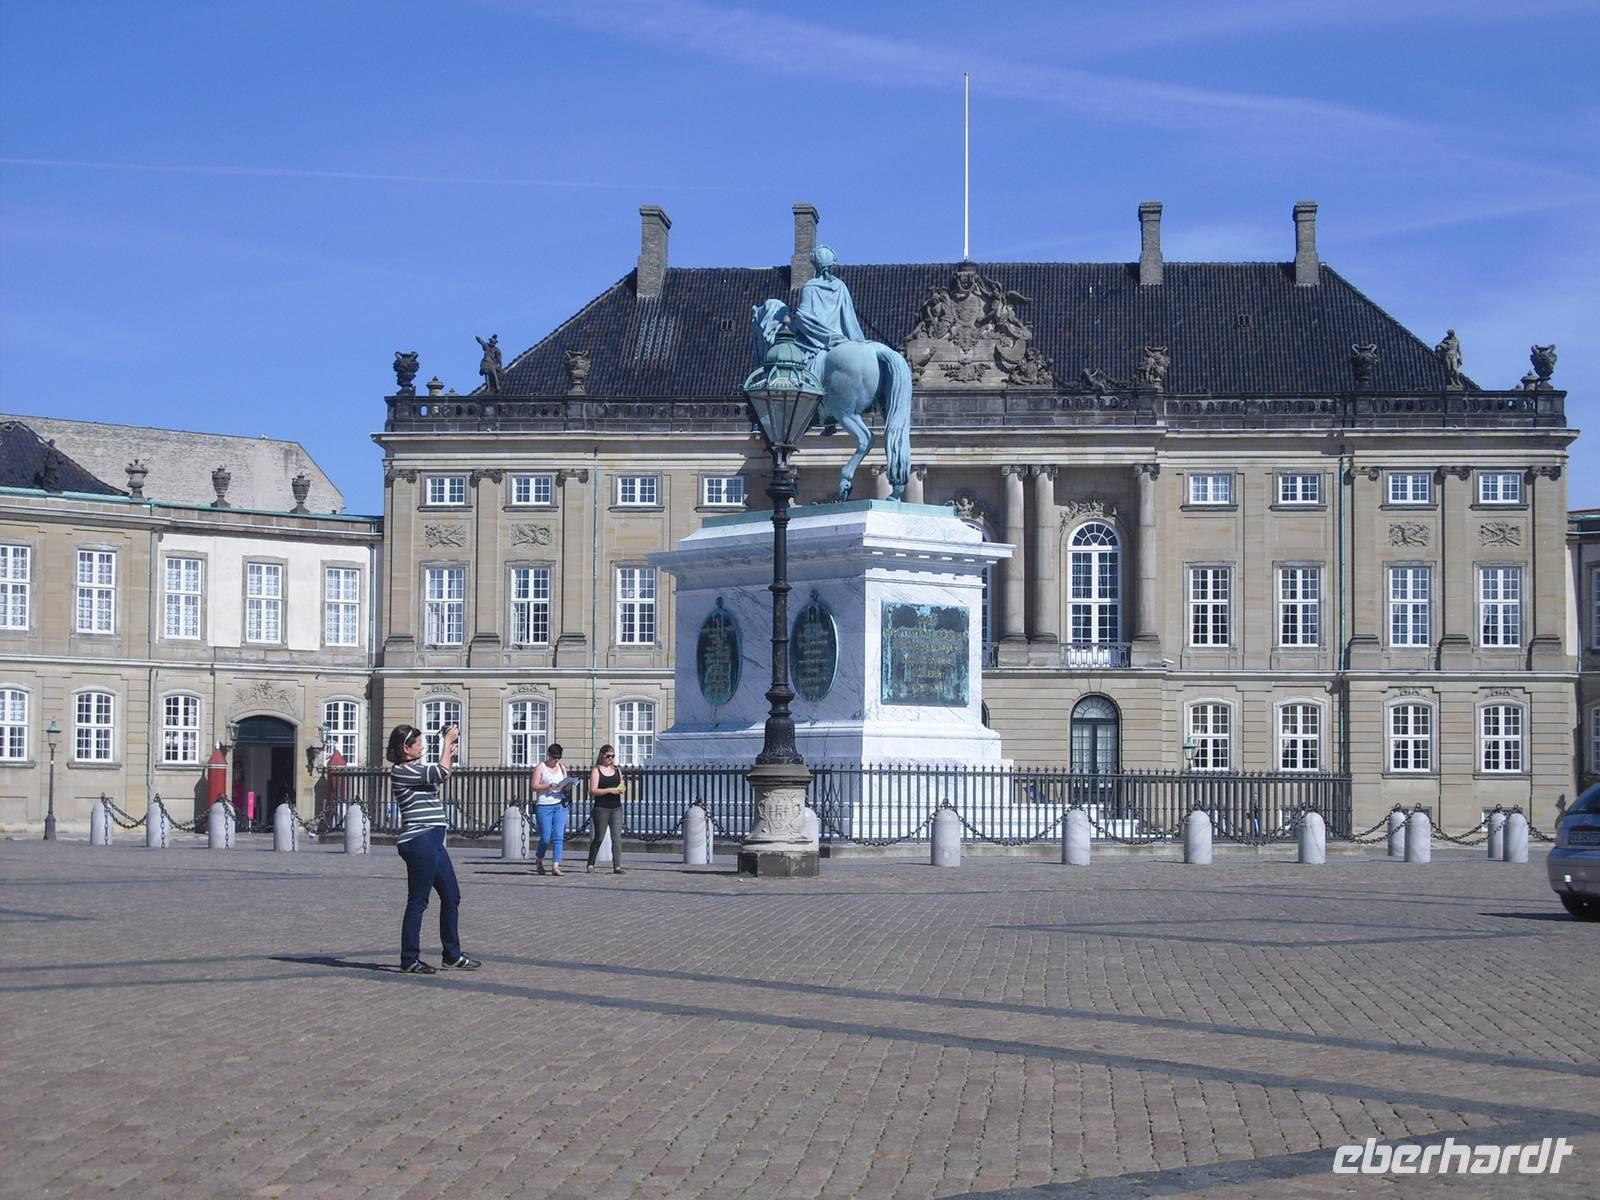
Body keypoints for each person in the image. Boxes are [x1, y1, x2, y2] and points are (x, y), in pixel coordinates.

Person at [386, 722, 480, 975]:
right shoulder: (400, 771)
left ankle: (452, 954)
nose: (422, 746)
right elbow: (440, 772)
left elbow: (443, 772)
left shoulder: (416, 768)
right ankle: (409, 958)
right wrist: (447, 743)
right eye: (417, 743)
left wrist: (450, 750)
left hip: (434, 840)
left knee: (452, 896)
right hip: (420, 841)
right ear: (405, 748)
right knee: (418, 901)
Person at [791, 244, 864, 376]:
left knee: (793, 370)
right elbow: (849, 318)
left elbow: (803, 318)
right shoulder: (841, 287)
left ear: (815, 264)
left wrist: (794, 322)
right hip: (844, 339)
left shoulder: (809, 288)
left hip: (817, 343)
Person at [531, 742, 570, 876]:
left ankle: (555, 866)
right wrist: (548, 786)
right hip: (544, 805)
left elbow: (565, 783)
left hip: (559, 805)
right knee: (546, 838)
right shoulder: (541, 767)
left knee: (559, 837)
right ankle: (539, 860)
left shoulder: (562, 768)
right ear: (549, 755)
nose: (556, 760)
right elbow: (534, 786)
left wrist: (567, 784)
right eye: (554, 758)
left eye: (558, 758)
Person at [586, 744, 626, 875]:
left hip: (616, 807)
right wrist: (610, 790)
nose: (610, 759)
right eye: (608, 756)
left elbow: (621, 785)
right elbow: (593, 790)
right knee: (599, 837)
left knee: (616, 837)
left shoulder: (617, 770)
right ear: (602, 755)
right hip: (601, 807)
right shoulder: (596, 770)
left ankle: (617, 866)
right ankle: (591, 862)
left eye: (612, 756)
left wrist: (621, 788)